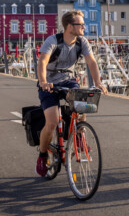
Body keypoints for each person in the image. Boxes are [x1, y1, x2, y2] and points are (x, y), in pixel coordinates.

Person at [35, 10, 108, 177]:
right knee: (52, 123)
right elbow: (43, 61)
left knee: (83, 106)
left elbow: (92, 62)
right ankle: (42, 155)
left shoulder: (81, 42)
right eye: (80, 24)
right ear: (69, 26)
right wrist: (44, 81)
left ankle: (79, 136)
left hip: (68, 80)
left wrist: (98, 83)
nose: (84, 27)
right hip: (50, 83)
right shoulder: (53, 41)